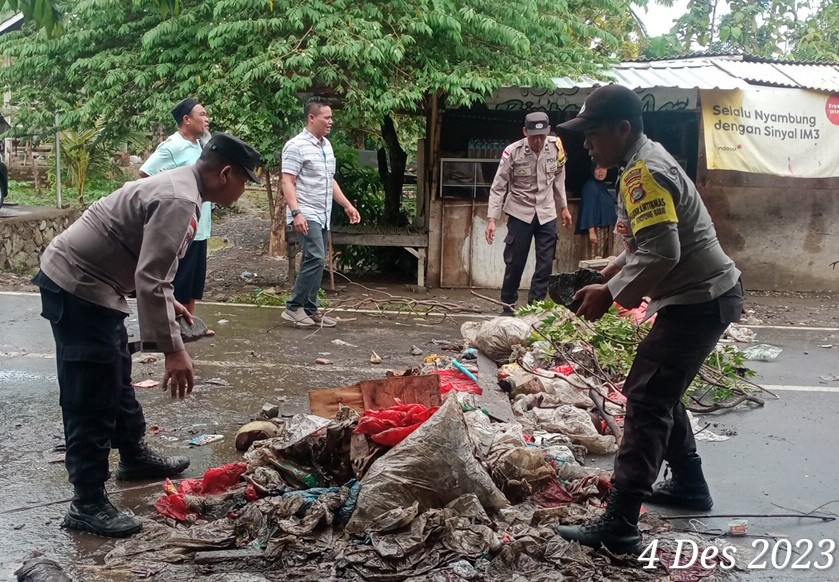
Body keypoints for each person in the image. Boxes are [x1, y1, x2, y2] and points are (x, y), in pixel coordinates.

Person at [33, 134, 261, 538]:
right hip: (78, 286)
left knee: (115, 373)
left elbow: (148, 268)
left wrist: (166, 302)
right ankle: (86, 503)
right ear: (225, 174)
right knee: (91, 393)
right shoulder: (179, 200)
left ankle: (134, 456)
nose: (244, 191)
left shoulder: (183, 188)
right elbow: (151, 278)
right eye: (245, 181)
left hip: (99, 285)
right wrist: (174, 351)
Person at [553, 85, 743, 555]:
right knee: (659, 389)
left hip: (700, 301)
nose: (587, 144)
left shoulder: (645, 173)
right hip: (697, 298)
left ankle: (620, 522)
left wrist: (610, 293)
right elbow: (641, 245)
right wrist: (609, 272)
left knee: (645, 398)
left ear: (621, 129)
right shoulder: (640, 164)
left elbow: (664, 250)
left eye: (593, 134)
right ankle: (689, 486)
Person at [281, 97, 361, 328]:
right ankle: (293, 307)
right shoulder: (295, 146)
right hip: (306, 211)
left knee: (315, 259)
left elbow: (329, 181)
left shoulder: (326, 145)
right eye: (327, 117)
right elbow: (287, 181)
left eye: (331, 118)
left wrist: (347, 205)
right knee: (315, 257)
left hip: (323, 212)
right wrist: (296, 212)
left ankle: (310, 308)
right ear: (312, 118)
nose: (331, 122)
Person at [485, 112, 572, 315]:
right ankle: (508, 306)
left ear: (548, 130)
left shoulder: (556, 147)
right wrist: (491, 219)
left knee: (545, 264)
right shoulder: (512, 152)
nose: (538, 141)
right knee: (516, 262)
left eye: (542, 135)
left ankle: (535, 308)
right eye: (534, 136)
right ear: (525, 132)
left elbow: (559, 178)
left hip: (547, 212)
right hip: (520, 212)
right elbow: (498, 187)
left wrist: (563, 208)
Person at [140, 98, 213, 321]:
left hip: (201, 225)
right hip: (182, 227)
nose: (206, 119)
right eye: (201, 114)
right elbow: (146, 174)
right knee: (180, 279)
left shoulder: (199, 145)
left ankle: (189, 324)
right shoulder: (172, 146)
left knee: (194, 281)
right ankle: (174, 327)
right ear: (186, 119)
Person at [575, 164, 617, 258]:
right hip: (596, 230)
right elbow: (588, 209)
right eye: (598, 169)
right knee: (594, 257)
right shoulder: (590, 187)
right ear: (593, 170)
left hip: (604, 228)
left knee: (602, 257)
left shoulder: (602, 186)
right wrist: (591, 232)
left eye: (603, 168)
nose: (601, 171)